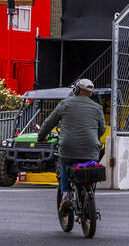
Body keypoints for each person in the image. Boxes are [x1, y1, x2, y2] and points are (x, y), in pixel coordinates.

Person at [37, 78, 106, 214]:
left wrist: (41, 137)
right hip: (91, 148)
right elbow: (102, 129)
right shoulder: (98, 108)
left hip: (68, 148)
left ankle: (65, 196)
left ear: (76, 90)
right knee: (90, 171)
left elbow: (48, 123)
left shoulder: (65, 104)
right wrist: (92, 139)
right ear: (90, 93)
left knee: (64, 168)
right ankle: (90, 191)